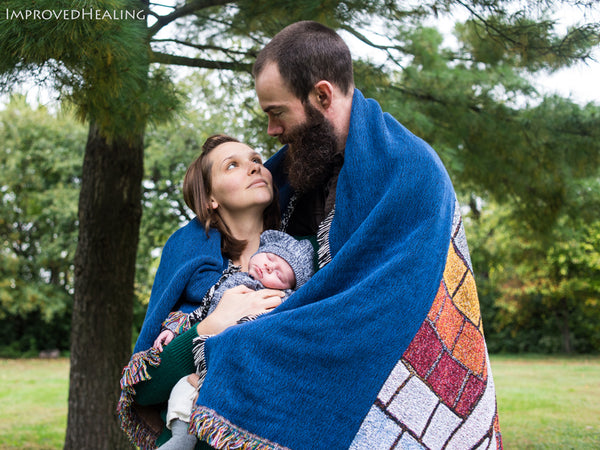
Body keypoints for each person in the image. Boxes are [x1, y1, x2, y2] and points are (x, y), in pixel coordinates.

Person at [189, 21, 503, 450]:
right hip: (281, 330)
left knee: (238, 356)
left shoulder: (411, 171)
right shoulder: (293, 174)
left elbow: (384, 305)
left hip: (399, 374)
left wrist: (241, 338)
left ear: (321, 95)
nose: (271, 131)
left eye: (276, 112)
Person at [118, 134, 289, 449]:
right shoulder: (194, 276)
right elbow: (144, 389)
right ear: (211, 198)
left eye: (256, 160)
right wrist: (210, 325)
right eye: (233, 165)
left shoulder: (305, 256)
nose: (253, 168)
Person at [155, 229, 315, 450]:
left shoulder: (282, 301)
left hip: (239, 367)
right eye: (269, 257)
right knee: (184, 389)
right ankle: (182, 437)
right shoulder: (229, 281)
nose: (269, 266)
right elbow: (201, 312)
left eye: (279, 274)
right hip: (204, 360)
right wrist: (173, 329)